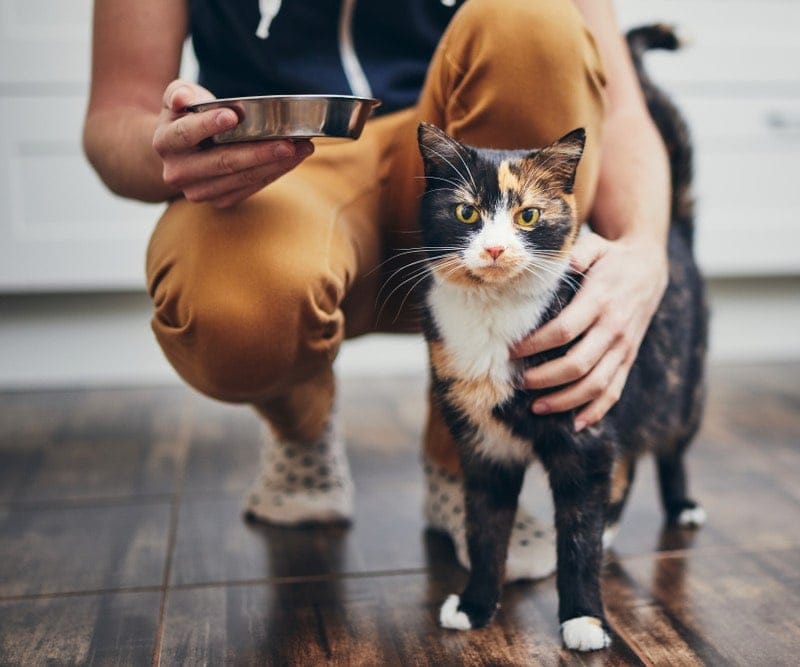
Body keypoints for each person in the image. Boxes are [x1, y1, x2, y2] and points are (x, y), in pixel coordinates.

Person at [84, 0, 670, 580]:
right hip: (277, 160)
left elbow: (618, 110)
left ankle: (466, 461)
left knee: (534, 18)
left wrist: (645, 248)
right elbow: (116, 116)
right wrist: (171, 146)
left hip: (464, 152)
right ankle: (300, 425)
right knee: (235, 316)